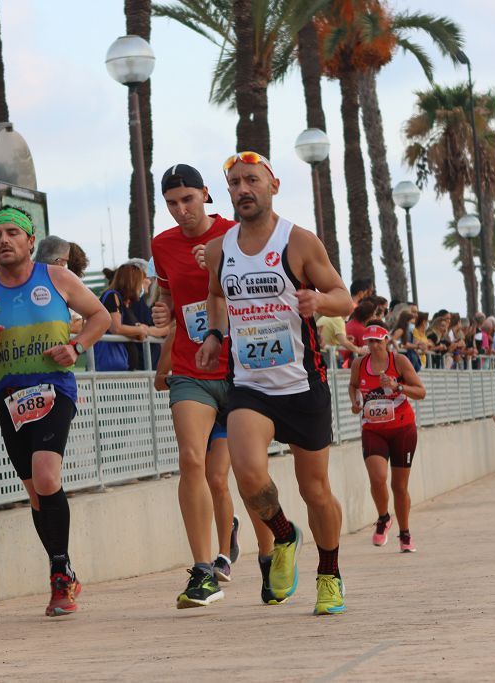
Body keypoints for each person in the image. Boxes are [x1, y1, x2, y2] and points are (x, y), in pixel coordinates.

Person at [197, 151, 353, 616]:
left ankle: (330, 573)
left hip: (302, 384)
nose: (243, 189)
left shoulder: (299, 242)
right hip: (249, 384)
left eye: (252, 180)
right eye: (235, 183)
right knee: (246, 473)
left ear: (273, 185)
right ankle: (283, 535)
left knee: (316, 491)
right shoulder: (221, 249)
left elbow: (344, 300)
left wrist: (318, 301)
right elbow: (215, 296)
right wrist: (213, 334)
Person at [0, 207, 110, 617]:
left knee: (46, 474)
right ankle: (64, 568)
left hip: (55, 388)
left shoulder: (56, 278)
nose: (3, 240)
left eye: (11, 233)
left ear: (29, 241)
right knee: (37, 493)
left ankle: (58, 572)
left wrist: (76, 348)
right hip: (10, 397)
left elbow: (101, 315)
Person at [149, 162, 274, 608]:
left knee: (245, 473)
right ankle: (203, 572)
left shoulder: (236, 232)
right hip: (191, 368)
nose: (181, 210)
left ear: (206, 194)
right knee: (190, 460)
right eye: (171, 204)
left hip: (241, 370)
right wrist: (163, 312)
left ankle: (269, 554)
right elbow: (168, 295)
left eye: (188, 199)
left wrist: (222, 265)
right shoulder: (161, 245)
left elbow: (266, 292)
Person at [348, 323, 426, 552]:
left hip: (402, 429)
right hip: (373, 429)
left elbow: (421, 392)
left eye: (377, 341)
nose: (372, 346)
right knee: (377, 478)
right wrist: (355, 402)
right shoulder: (359, 363)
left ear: (386, 341)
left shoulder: (399, 361)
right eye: (369, 342)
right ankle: (383, 518)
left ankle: (405, 533)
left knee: (399, 486)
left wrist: (397, 386)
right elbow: (353, 386)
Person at [99, 264, 152, 370]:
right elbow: (116, 328)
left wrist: (138, 331)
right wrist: (140, 329)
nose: (143, 286)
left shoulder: (126, 303)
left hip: (124, 367)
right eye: (141, 281)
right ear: (132, 282)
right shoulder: (112, 296)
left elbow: (139, 335)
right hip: (111, 369)